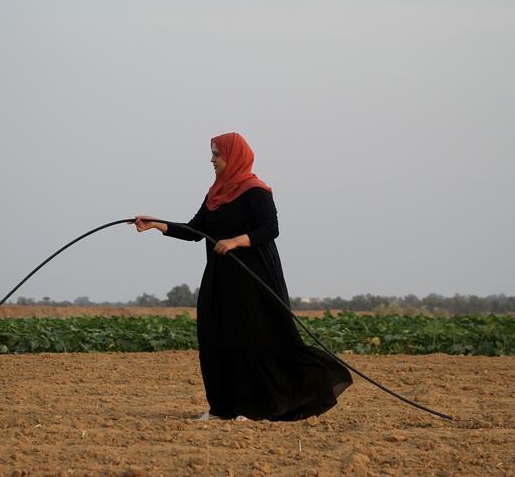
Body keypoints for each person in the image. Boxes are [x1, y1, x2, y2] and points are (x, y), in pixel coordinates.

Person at [132, 132, 351, 421]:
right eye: (212, 154)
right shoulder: (214, 194)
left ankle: (253, 407)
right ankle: (221, 408)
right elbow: (196, 230)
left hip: (254, 277)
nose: (211, 160)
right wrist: (157, 225)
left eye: (216, 154)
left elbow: (270, 229)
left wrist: (236, 241)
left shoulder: (255, 190)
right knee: (215, 336)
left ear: (232, 156)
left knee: (253, 338)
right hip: (221, 278)